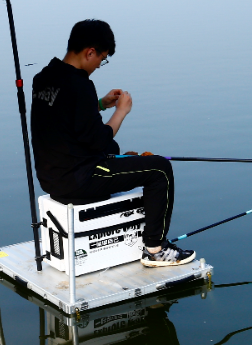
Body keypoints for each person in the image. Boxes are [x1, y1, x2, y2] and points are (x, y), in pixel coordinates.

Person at [30, 19, 195, 267]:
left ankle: (127, 172)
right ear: (90, 52)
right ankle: (155, 249)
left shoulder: (43, 77)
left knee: (117, 152)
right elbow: (98, 140)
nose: (99, 65)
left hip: (52, 177)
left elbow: (63, 116)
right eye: (102, 59)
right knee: (159, 169)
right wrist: (121, 111)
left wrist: (99, 104)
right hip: (80, 180)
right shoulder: (80, 84)